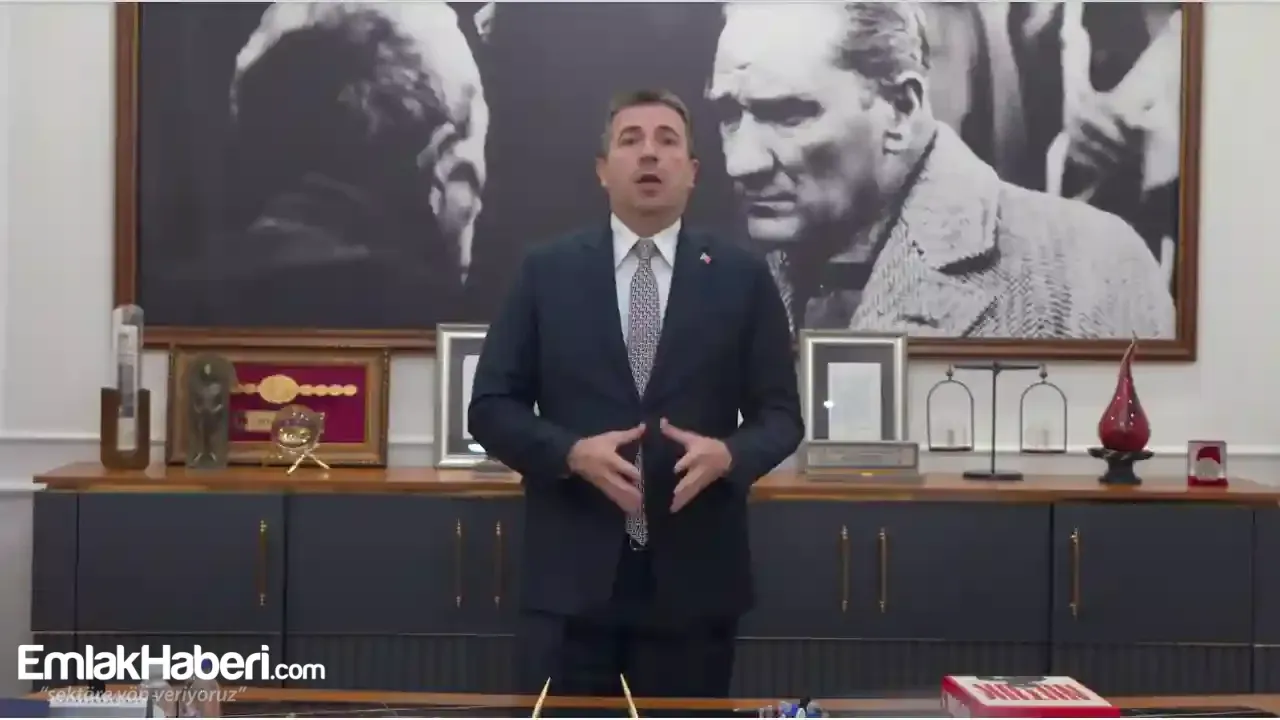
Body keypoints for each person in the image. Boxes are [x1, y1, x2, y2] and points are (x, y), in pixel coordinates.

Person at [467, 89, 802, 704]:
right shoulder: (545, 272)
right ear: (603, 169)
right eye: (631, 140)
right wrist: (570, 453)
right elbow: (490, 407)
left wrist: (730, 455)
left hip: (695, 584)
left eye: (667, 141)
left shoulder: (743, 277)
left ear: (693, 171)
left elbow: (780, 416)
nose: (649, 154)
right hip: (571, 583)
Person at [706, 2, 1176, 340]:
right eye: (729, 115)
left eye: (788, 114)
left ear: (900, 109)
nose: (740, 162)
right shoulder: (711, 283)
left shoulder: (1086, 272)